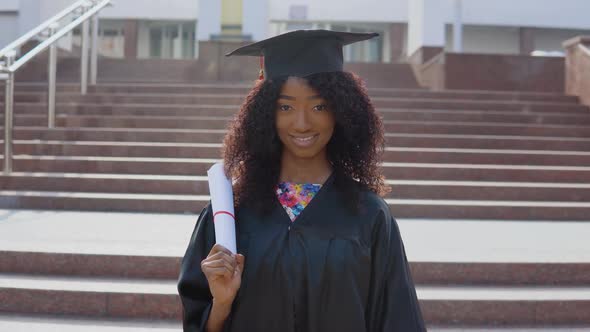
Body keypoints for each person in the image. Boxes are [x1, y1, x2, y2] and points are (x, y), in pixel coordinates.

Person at [178, 29, 425, 332]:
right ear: (266, 113)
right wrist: (222, 304)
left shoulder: (369, 216)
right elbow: (198, 323)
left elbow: (399, 320)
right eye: (286, 107)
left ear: (341, 111)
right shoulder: (230, 216)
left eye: (319, 106)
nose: (302, 122)